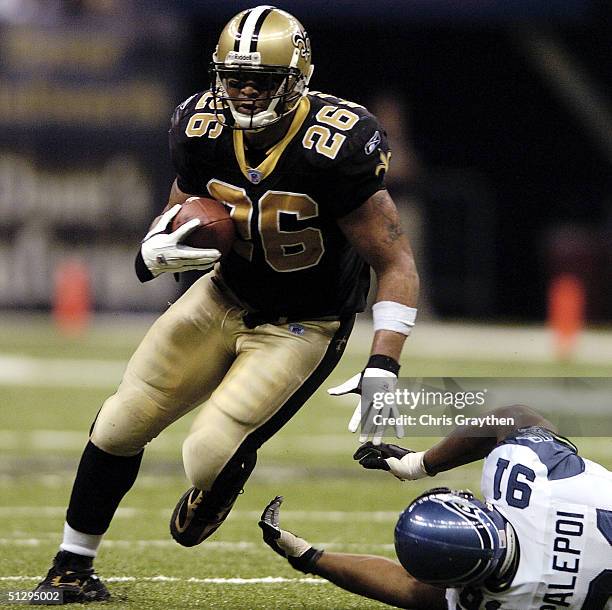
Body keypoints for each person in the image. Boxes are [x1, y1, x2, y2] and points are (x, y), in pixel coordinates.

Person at [32, 5, 419, 604]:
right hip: (221, 294)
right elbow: (180, 208)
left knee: (206, 456)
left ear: (296, 79)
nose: (243, 90)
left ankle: (216, 488)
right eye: (233, 76)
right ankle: (71, 568)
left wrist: (382, 365)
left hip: (303, 322)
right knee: (118, 423)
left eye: (260, 79)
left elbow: (394, 261)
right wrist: (160, 245)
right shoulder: (198, 124)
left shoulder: (338, 144)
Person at [260, 405, 612, 609]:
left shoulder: (500, 601)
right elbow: (514, 417)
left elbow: (414, 591)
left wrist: (310, 559)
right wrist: (420, 464)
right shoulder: (525, 475)